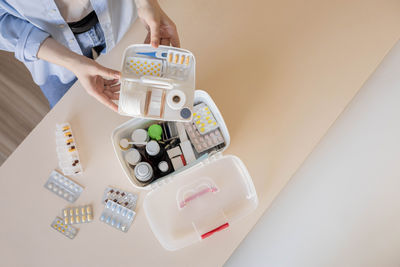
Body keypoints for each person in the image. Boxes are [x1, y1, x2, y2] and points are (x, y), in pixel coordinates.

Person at [0, 0, 180, 111]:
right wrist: (71, 61)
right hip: (48, 49)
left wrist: (147, 3)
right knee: (68, 111)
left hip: (119, 15)